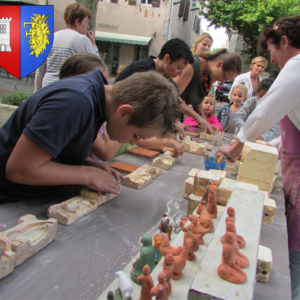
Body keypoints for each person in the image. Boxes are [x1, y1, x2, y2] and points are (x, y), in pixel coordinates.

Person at [0, 69, 181, 202]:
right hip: (10, 200)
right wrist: (86, 174)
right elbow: (19, 169)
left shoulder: (98, 97)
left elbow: (56, 147)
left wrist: (89, 164)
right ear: (124, 112)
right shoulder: (75, 103)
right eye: (136, 135)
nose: (133, 142)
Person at [216, 16, 300, 300]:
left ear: (285, 42)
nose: (271, 58)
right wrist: (272, 146)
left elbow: (265, 112)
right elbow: (290, 127)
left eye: (272, 50)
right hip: (291, 161)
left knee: (296, 252)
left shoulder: (297, 66)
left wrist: (236, 147)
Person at [59, 53, 184, 162]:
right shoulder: (81, 109)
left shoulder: (97, 113)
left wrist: (91, 167)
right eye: (97, 84)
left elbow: (79, 158)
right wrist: (87, 175)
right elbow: (105, 153)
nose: (102, 89)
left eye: (104, 82)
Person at [114, 38, 214, 133]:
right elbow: (144, 108)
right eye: (179, 68)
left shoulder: (163, 75)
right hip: (115, 121)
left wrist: (196, 118)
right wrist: (172, 122)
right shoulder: (144, 70)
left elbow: (172, 100)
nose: (180, 73)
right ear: (166, 58)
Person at [34, 3, 99, 91]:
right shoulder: (82, 40)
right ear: (77, 22)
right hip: (68, 91)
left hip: (47, 88)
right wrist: (93, 44)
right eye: (86, 22)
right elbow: (98, 68)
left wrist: (37, 93)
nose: (87, 26)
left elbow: (40, 72)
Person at [173, 49, 243, 131]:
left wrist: (203, 119)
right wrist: (198, 117)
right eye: (224, 77)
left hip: (174, 117)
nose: (223, 81)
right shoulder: (192, 65)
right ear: (219, 64)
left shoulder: (208, 73)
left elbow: (197, 97)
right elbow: (172, 96)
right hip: (162, 115)